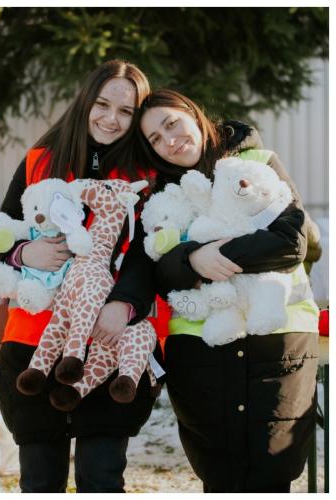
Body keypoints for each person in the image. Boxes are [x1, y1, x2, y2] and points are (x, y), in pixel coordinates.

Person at [136, 89, 321, 493]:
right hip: (201, 346)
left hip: (276, 340)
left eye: (172, 124)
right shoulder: (160, 196)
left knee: (272, 473)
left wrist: (212, 255)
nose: (170, 140)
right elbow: (153, 267)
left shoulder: (257, 162)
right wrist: (189, 260)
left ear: (194, 115)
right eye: (155, 138)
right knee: (219, 477)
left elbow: (292, 241)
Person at [0, 60, 161, 493]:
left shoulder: (146, 175)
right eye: (102, 105)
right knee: (40, 479)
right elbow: (1, 231)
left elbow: (149, 254)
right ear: (86, 102)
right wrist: (24, 251)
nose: (111, 119)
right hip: (36, 342)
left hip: (110, 341)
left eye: (125, 112)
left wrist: (123, 305)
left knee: (102, 477)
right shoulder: (39, 161)